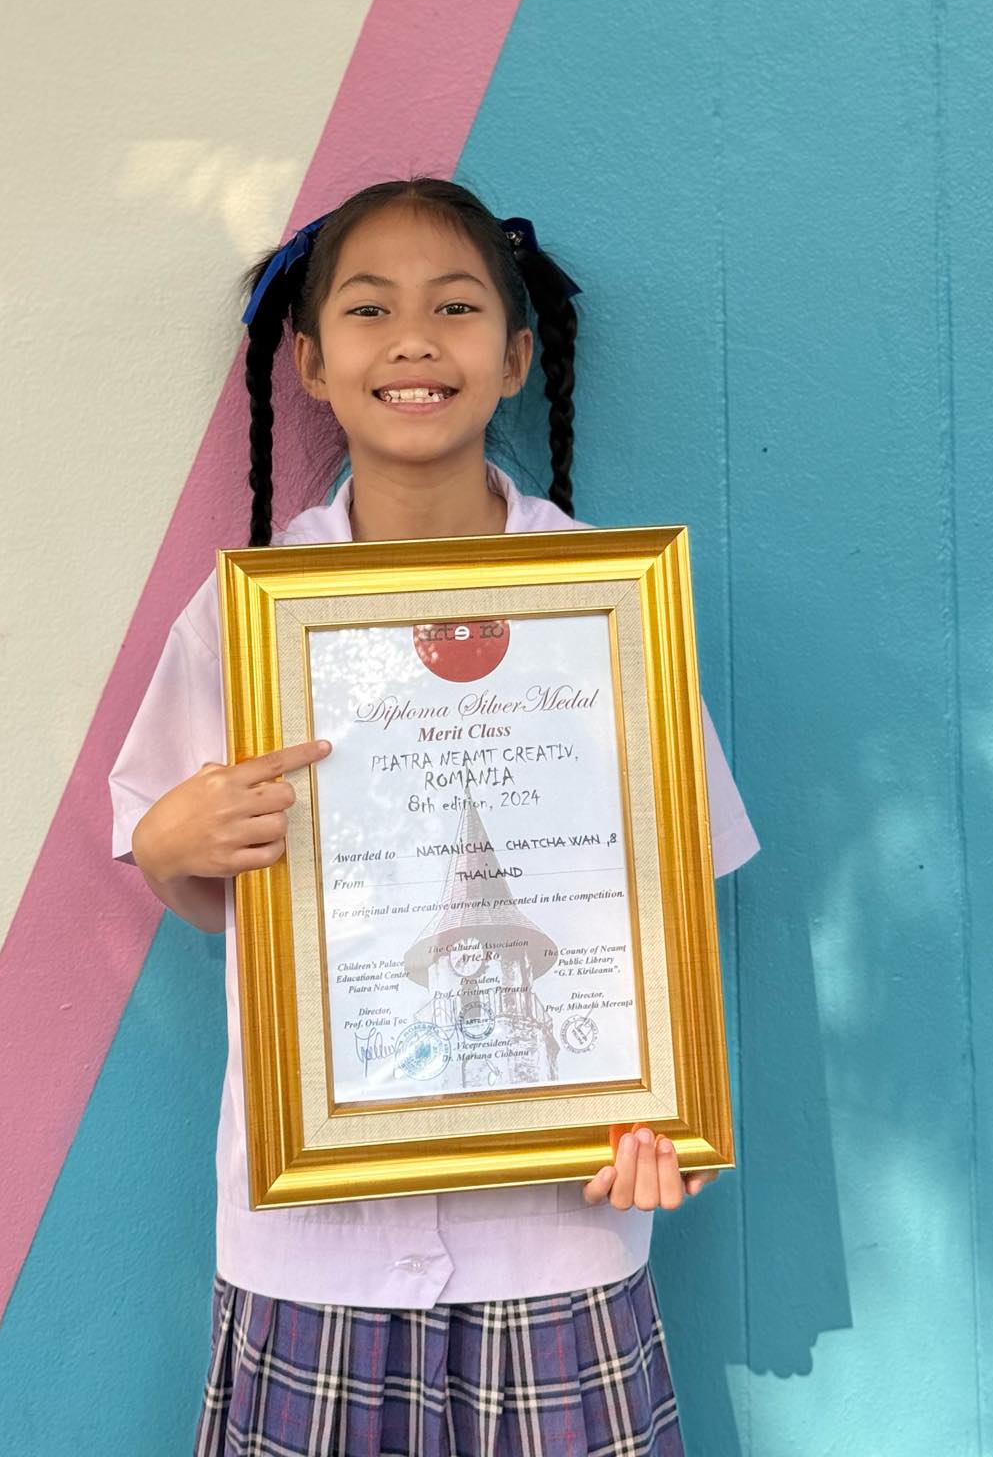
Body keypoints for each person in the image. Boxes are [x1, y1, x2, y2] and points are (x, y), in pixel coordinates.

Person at [108, 177, 760, 1457]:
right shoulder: (247, 617)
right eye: (369, 308)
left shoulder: (608, 607)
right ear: (309, 360)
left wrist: (669, 1107)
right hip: (316, 1246)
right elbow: (186, 869)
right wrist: (175, 844)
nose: (414, 338)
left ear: (516, 356)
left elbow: (667, 891)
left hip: (557, 1235)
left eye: (457, 306)